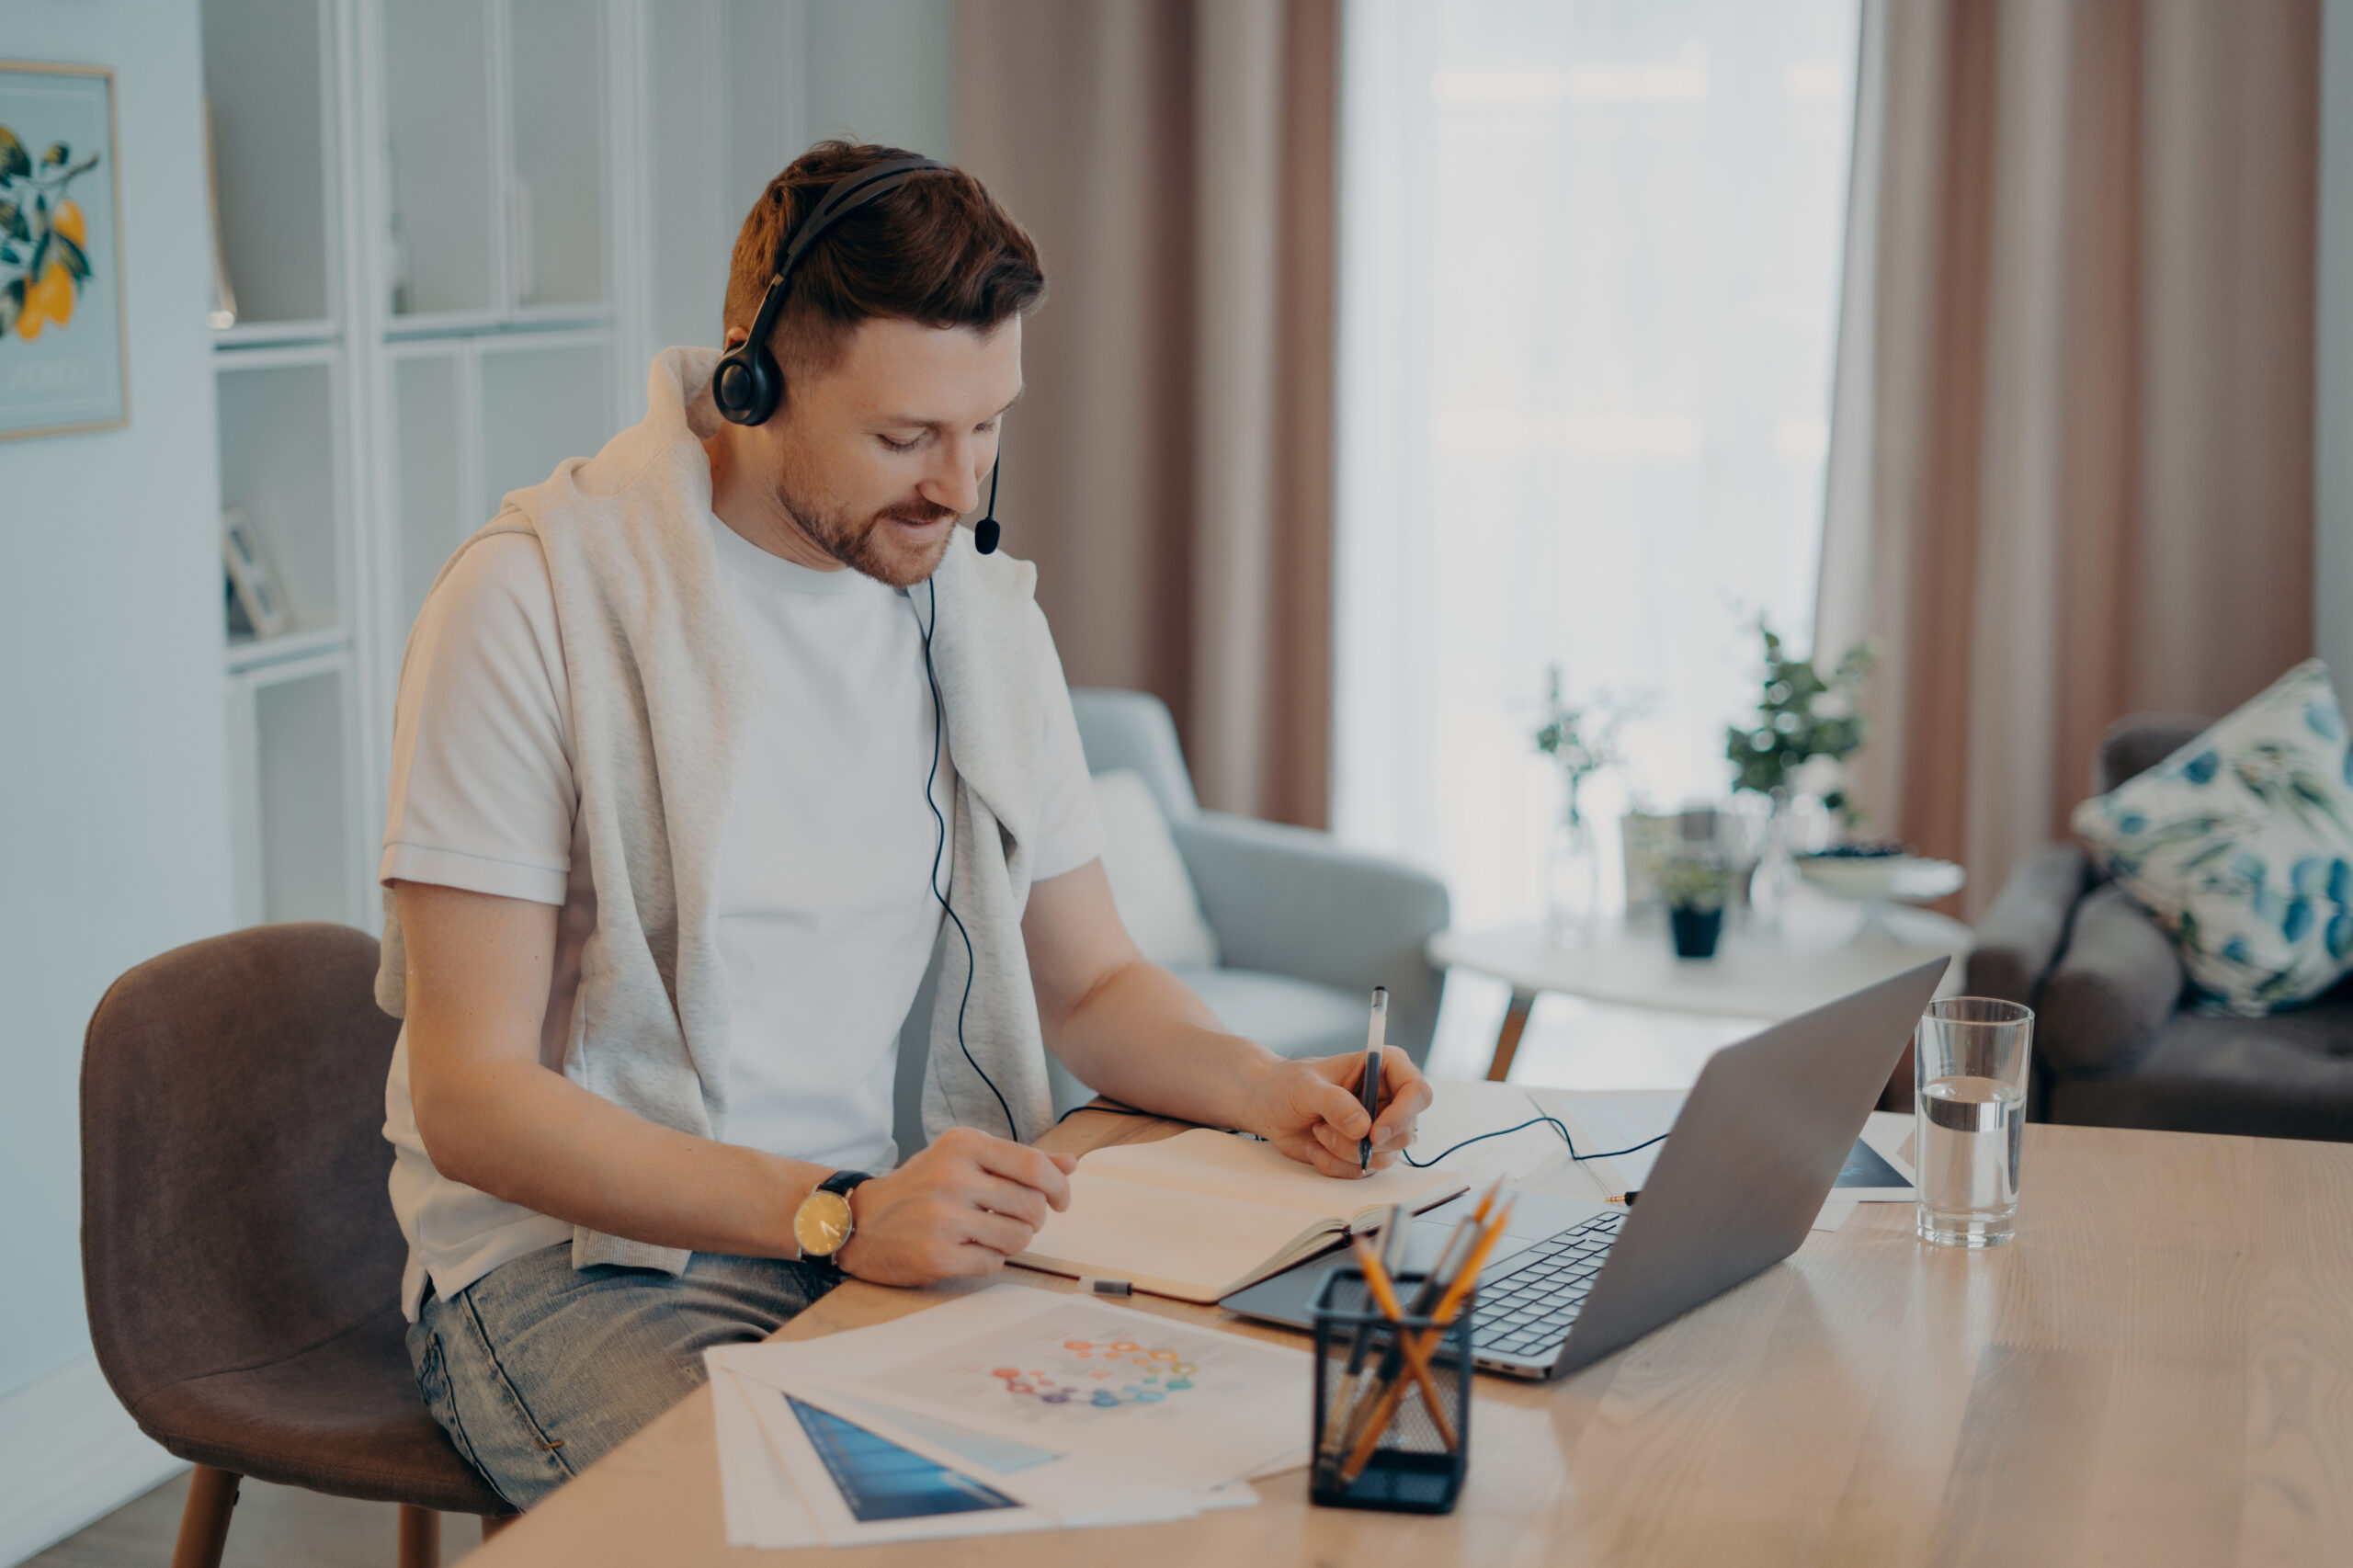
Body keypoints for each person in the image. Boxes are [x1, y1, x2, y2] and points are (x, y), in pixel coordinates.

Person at [379, 142, 1435, 1507]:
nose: (959, 485)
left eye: (988, 424)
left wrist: (1262, 1085)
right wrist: (829, 1211)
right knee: (831, 1529)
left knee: (1174, 1482)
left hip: (857, 1225)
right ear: (754, 382)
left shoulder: (982, 620)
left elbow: (1095, 980)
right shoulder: (532, 608)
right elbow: (472, 1096)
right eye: (904, 437)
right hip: (578, 1269)